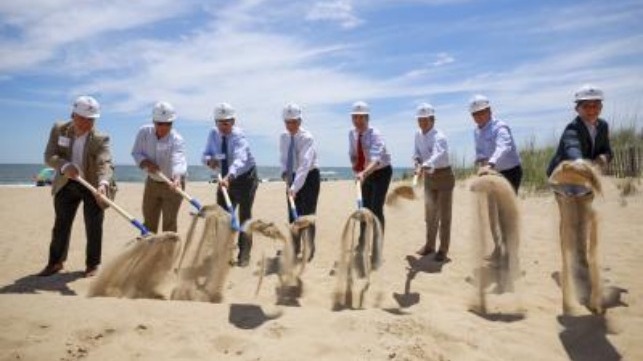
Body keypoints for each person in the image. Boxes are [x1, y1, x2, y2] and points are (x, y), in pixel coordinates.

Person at [38, 95, 115, 277]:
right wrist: (65, 166)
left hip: (92, 185)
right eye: (83, 119)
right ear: (73, 115)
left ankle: (93, 265)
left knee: (94, 226)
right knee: (61, 225)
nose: (87, 123)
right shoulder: (59, 129)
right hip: (66, 183)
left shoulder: (100, 138)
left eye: (91, 120)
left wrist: (103, 184)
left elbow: (106, 162)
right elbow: (50, 156)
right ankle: (55, 263)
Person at [203, 103, 259, 267]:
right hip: (225, 179)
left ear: (233, 121)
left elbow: (240, 160)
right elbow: (206, 153)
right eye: (219, 122)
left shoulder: (239, 137)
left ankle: (244, 255)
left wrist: (229, 176)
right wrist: (209, 160)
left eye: (226, 123)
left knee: (244, 217)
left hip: (245, 179)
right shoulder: (213, 134)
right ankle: (223, 252)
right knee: (222, 216)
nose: (222, 126)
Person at [131, 101, 187, 233]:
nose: (164, 127)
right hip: (152, 183)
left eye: (168, 124)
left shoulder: (177, 139)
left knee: (169, 223)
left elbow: (178, 159)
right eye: (160, 123)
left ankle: (168, 252)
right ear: (153, 121)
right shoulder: (144, 132)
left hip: (173, 184)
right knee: (149, 221)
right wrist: (145, 162)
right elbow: (136, 152)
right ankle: (150, 251)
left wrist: (177, 177)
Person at [413, 103, 455, 262]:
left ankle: (443, 250)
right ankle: (429, 245)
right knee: (430, 214)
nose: (422, 123)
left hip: (444, 176)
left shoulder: (440, 136)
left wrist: (425, 164)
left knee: (445, 216)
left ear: (432, 120)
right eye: (420, 120)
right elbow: (416, 152)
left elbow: (439, 154)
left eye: (425, 120)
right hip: (429, 178)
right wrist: (417, 161)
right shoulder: (417, 134)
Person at [279, 103, 320, 261]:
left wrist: (295, 187)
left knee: (307, 215)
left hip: (309, 176)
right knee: (292, 214)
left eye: (294, 122)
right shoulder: (283, 137)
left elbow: (304, 164)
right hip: (292, 176)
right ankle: (295, 247)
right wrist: (285, 174)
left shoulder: (306, 138)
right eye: (288, 122)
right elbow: (284, 158)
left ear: (300, 121)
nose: (291, 125)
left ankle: (309, 249)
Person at [349, 101, 393, 244]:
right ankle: (362, 241)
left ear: (367, 118)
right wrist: (354, 163)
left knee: (376, 209)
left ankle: (377, 244)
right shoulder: (352, 133)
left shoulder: (375, 134)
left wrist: (363, 173)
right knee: (363, 208)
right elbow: (354, 154)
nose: (358, 121)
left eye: (361, 117)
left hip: (381, 172)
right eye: (355, 117)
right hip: (365, 172)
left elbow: (376, 160)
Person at [546, 84, 613, 177]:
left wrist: (603, 158)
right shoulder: (572, 128)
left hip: (585, 173)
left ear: (601, 107)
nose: (591, 110)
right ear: (577, 109)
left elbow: (607, 151)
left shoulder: (603, 126)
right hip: (561, 174)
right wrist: (579, 162)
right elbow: (572, 147)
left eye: (595, 106)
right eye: (586, 106)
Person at [470, 94, 523, 193]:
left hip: (510, 172)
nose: (478, 116)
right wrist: (479, 159)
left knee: (506, 205)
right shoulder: (476, 131)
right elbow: (480, 150)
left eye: (481, 112)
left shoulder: (500, 127)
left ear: (489, 111)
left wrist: (491, 163)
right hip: (492, 173)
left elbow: (503, 147)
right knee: (491, 204)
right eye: (475, 114)